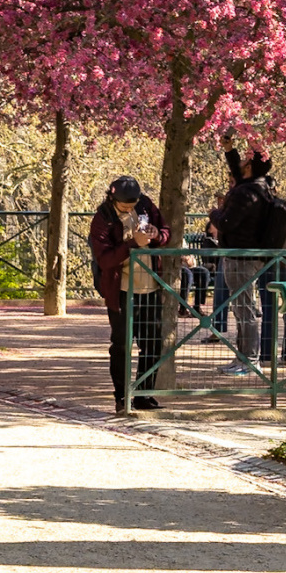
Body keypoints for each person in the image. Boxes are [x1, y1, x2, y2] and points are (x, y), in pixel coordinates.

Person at [88, 176, 173, 411]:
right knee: (122, 345)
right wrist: (133, 243)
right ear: (112, 198)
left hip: (151, 285)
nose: (128, 208)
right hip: (122, 289)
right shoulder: (102, 218)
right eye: (124, 205)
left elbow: (166, 231)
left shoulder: (145, 204)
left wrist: (157, 235)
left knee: (153, 343)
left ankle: (144, 394)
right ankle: (122, 396)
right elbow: (105, 259)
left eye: (132, 204)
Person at [207, 136, 281, 376]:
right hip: (249, 255)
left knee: (244, 310)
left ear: (249, 166)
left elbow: (226, 223)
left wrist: (214, 213)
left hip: (240, 257)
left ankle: (249, 359)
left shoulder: (245, 192)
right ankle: (243, 357)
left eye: (245, 158)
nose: (240, 163)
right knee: (241, 309)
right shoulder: (260, 186)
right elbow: (238, 172)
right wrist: (230, 150)